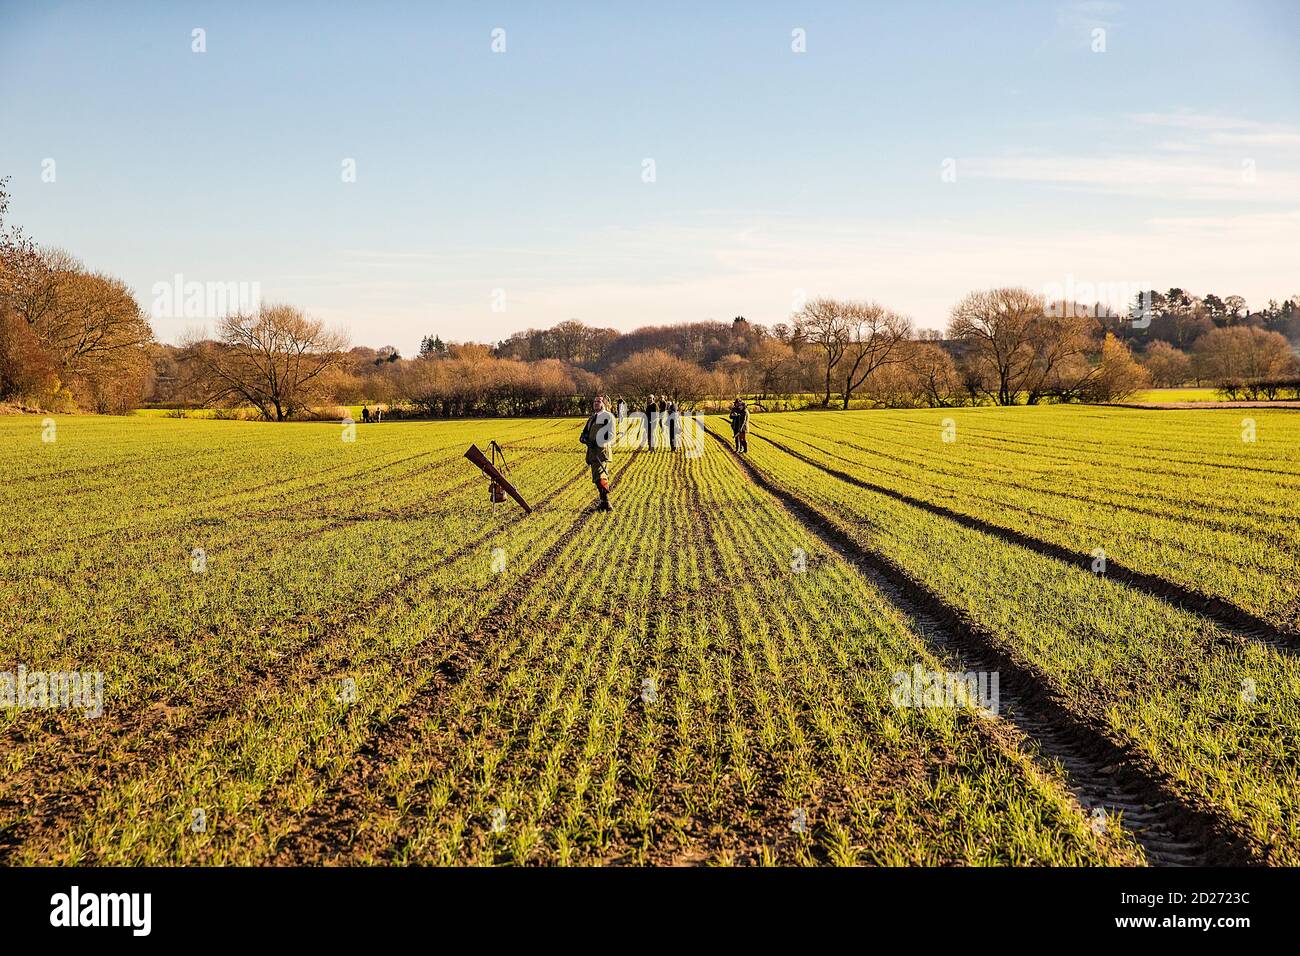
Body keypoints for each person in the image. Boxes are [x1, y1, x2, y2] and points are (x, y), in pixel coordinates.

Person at [579, 395, 616, 512]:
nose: (596, 403)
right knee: (596, 478)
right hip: (592, 453)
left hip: (602, 452)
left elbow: (611, 434)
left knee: (600, 477)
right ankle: (604, 502)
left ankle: (607, 503)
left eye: (599, 401)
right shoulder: (592, 418)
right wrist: (584, 438)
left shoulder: (608, 417)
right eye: (594, 401)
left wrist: (598, 441)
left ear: (604, 404)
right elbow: (584, 433)